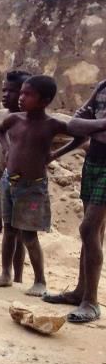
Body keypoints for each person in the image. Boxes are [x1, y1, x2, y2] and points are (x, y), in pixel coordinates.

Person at [0, 76, 106, 295]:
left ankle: (40, 280)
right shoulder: (15, 120)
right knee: (9, 229)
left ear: (45, 101)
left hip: (33, 187)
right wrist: (7, 147)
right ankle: (5, 273)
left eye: (27, 94)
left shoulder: (52, 125)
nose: (21, 98)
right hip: (8, 182)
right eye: (21, 93)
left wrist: (55, 154)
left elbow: (78, 136)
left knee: (29, 235)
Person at [44, 78, 106, 322]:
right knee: (95, 231)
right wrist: (101, 124)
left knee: (88, 228)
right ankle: (81, 291)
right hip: (94, 161)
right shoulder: (103, 87)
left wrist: (91, 126)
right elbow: (75, 124)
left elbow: (82, 124)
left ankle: (91, 302)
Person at [0, 70, 30, 281]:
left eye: (14, 91)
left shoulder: (30, 121)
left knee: (18, 233)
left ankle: (17, 278)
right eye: (5, 90)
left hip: (19, 184)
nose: (7, 95)